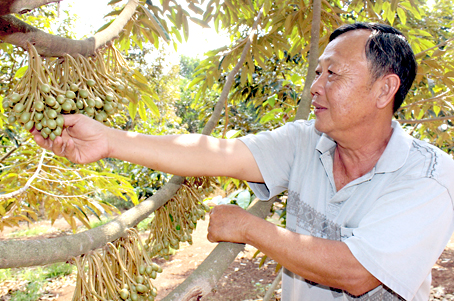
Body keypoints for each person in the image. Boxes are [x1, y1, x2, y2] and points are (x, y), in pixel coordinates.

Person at [33, 22, 454, 301]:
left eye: (332, 75)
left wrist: (248, 226)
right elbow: (216, 152)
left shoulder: (430, 177)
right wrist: (109, 140)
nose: (314, 88)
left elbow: (357, 273)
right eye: (318, 72)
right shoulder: (306, 140)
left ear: (385, 90)